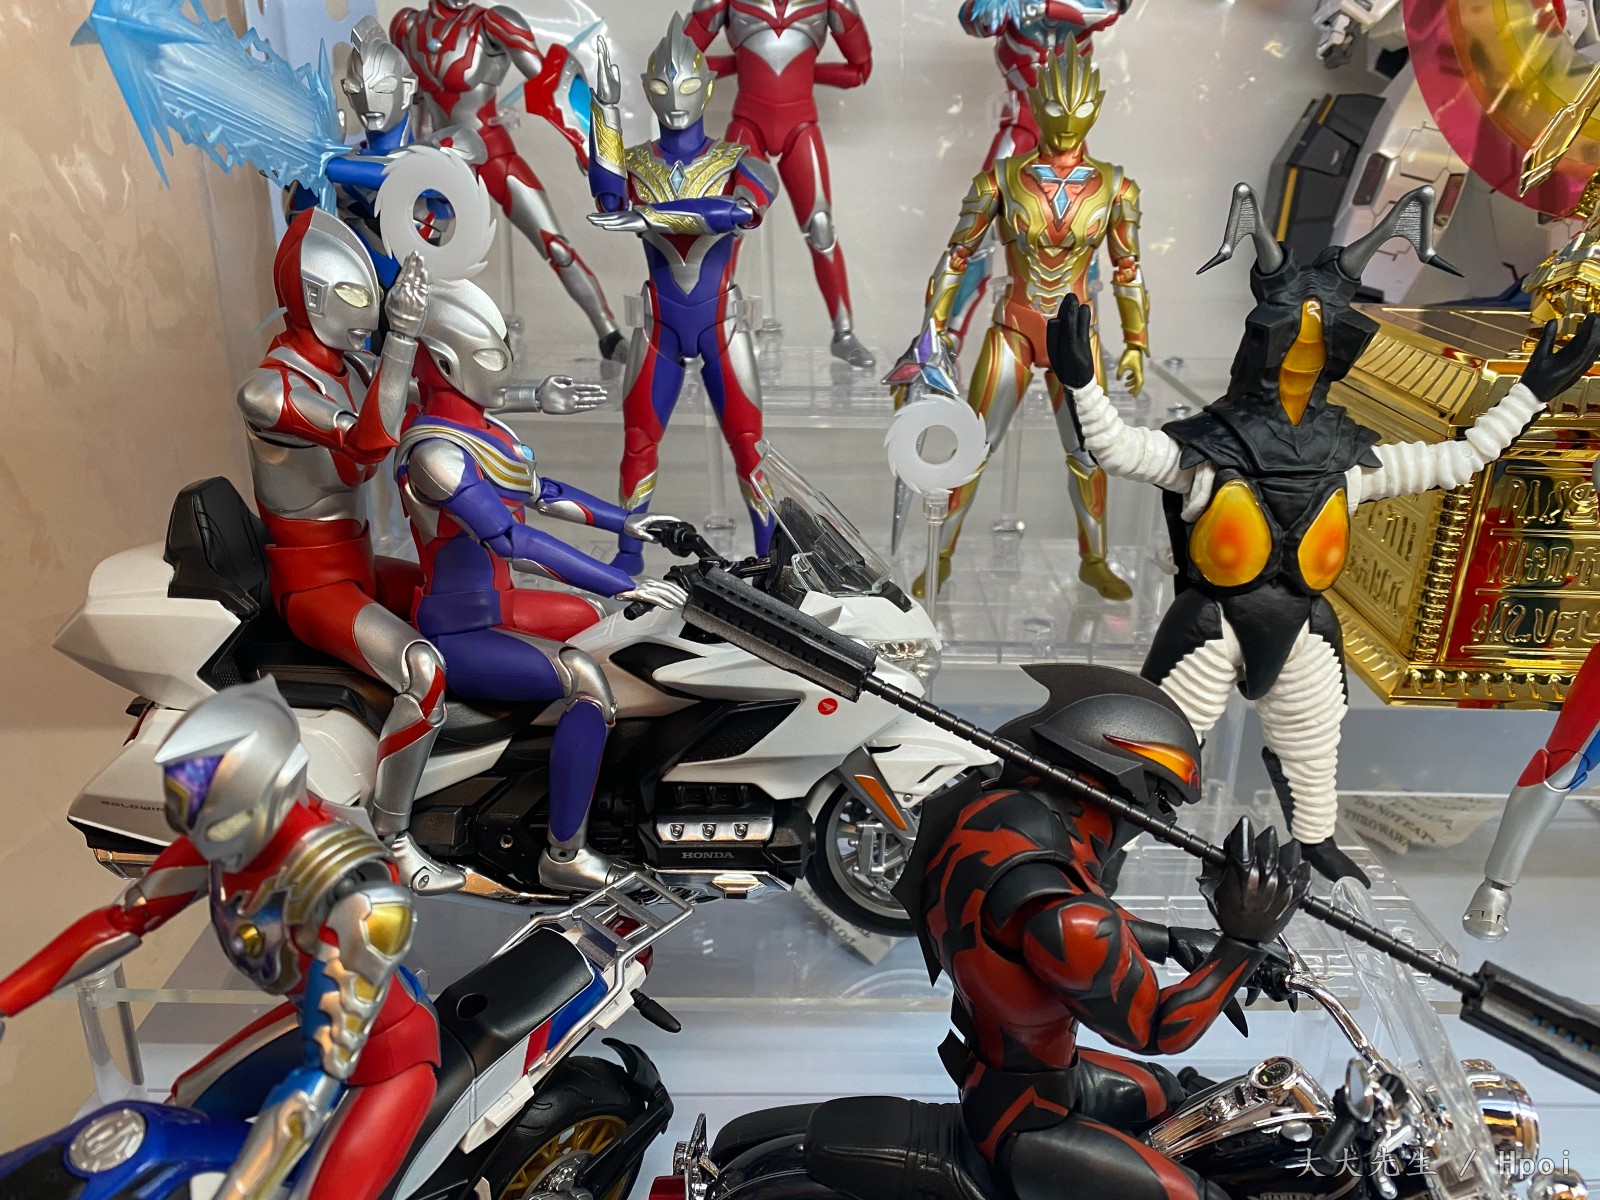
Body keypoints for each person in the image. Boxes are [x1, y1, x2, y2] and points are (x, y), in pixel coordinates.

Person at [1054, 183, 1600, 882]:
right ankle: (1111, 844)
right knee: (1158, 744)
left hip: (1304, 622)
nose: (1304, 352)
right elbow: (1120, 449)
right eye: (1296, 333)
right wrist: (1080, 383)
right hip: (1212, 624)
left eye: (1318, 336)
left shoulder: (1352, 458)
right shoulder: (1210, 451)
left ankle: (1313, 838)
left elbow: (1460, 460)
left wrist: (1531, 392)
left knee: (1313, 743)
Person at [0, 680, 437, 1200]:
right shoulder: (226, 839)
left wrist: (239, 1190)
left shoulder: (353, 892)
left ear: (269, 797)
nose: (200, 842)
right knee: (185, 1106)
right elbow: (122, 921)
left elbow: (319, 1078)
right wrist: (6, 1001)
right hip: (309, 1020)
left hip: (384, 1060)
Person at [893, 664, 1307, 1200]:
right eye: (1161, 802)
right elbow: (1157, 1030)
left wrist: (1174, 939)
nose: (1161, 824)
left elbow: (1051, 925)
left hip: (1014, 1075)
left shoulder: (996, 821)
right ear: (1122, 781)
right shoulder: (1071, 916)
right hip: (1030, 1122)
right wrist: (1241, 945)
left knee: (1176, 1096)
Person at [396, 276, 685, 890]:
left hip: (501, 604)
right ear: (446, 363)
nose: (505, 367)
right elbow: (511, 540)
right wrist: (620, 581)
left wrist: (628, 522)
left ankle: (576, 765)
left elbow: (544, 493)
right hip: (461, 627)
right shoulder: (435, 456)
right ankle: (563, 853)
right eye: (492, 356)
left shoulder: (483, 434)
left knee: (601, 629)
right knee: (587, 683)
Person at [238, 209, 456, 893]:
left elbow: (435, 406)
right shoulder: (270, 389)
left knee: (456, 599)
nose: (369, 311)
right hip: (312, 586)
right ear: (312, 295)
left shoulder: (353, 368)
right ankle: (395, 837)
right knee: (422, 670)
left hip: (359, 565)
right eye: (357, 296)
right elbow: (366, 443)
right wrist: (403, 337)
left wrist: (535, 397)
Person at [586, 20, 781, 573]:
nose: (675, 100)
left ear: (708, 88)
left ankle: (772, 563)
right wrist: (604, 110)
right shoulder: (635, 163)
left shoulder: (740, 161)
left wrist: (647, 217)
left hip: (722, 324)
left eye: (688, 87)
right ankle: (627, 561)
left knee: (750, 448)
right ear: (648, 90)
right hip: (660, 326)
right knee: (638, 443)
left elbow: (740, 214)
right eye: (662, 87)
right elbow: (606, 197)